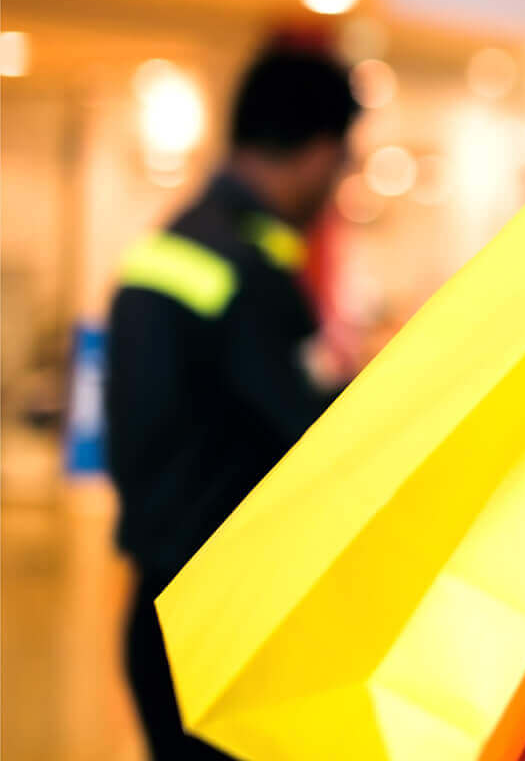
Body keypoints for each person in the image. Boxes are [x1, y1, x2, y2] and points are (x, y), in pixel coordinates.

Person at [105, 46, 358, 759]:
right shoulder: (252, 274)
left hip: (156, 610)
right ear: (317, 151)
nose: (336, 187)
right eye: (341, 164)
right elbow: (317, 441)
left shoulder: (170, 247)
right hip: (225, 625)